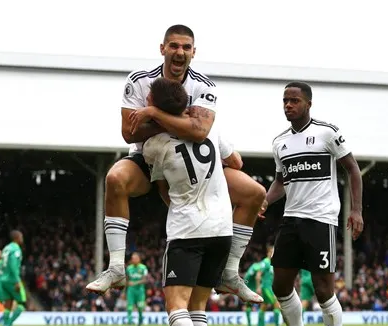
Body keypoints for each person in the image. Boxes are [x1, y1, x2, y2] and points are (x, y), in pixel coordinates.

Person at [86, 24, 265, 304]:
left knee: (255, 193)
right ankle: (117, 268)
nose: (179, 52)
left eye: (185, 47)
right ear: (162, 49)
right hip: (151, 158)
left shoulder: (204, 85)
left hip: (196, 162)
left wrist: (154, 113)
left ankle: (229, 273)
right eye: (174, 46)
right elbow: (129, 133)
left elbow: (200, 132)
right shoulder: (139, 80)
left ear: (194, 52)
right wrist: (182, 120)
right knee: (114, 178)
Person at [262, 81, 364, 326]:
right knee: (279, 285)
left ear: (308, 103)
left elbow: (353, 170)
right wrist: (264, 202)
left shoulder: (327, 133)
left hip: (320, 220)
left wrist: (355, 209)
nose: (288, 105)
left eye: (294, 100)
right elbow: (281, 182)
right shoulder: (279, 142)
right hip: (291, 220)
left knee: (323, 290)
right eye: (284, 100)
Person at [142, 77, 236, 326]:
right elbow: (235, 162)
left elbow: (159, 186)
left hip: (187, 229)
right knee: (198, 305)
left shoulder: (154, 144)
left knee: (175, 304)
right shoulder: (211, 129)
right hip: (223, 228)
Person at [0, 230, 26, 326]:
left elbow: (2, 263)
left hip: (3, 279)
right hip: (11, 279)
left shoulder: (6, 248)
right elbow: (13, 265)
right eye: (21, 236)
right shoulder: (15, 248)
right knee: (22, 303)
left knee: (8, 305)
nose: (22, 238)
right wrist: (17, 280)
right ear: (17, 237)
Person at [254, 246, 287, 326]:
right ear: (268, 253)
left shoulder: (273, 263)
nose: (273, 253)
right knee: (276, 304)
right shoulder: (266, 262)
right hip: (266, 287)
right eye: (272, 252)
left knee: (264, 306)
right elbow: (258, 275)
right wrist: (258, 287)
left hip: (270, 287)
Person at [125, 252, 148, 326]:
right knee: (129, 308)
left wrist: (134, 283)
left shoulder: (143, 268)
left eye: (135, 258)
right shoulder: (129, 268)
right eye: (132, 258)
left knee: (140, 308)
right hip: (131, 291)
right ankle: (130, 325)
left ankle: (139, 325)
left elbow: (145, 280)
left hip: (140, 291)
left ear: (139, 259)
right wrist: (125, 289)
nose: (133, 260)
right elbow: (127, 280)